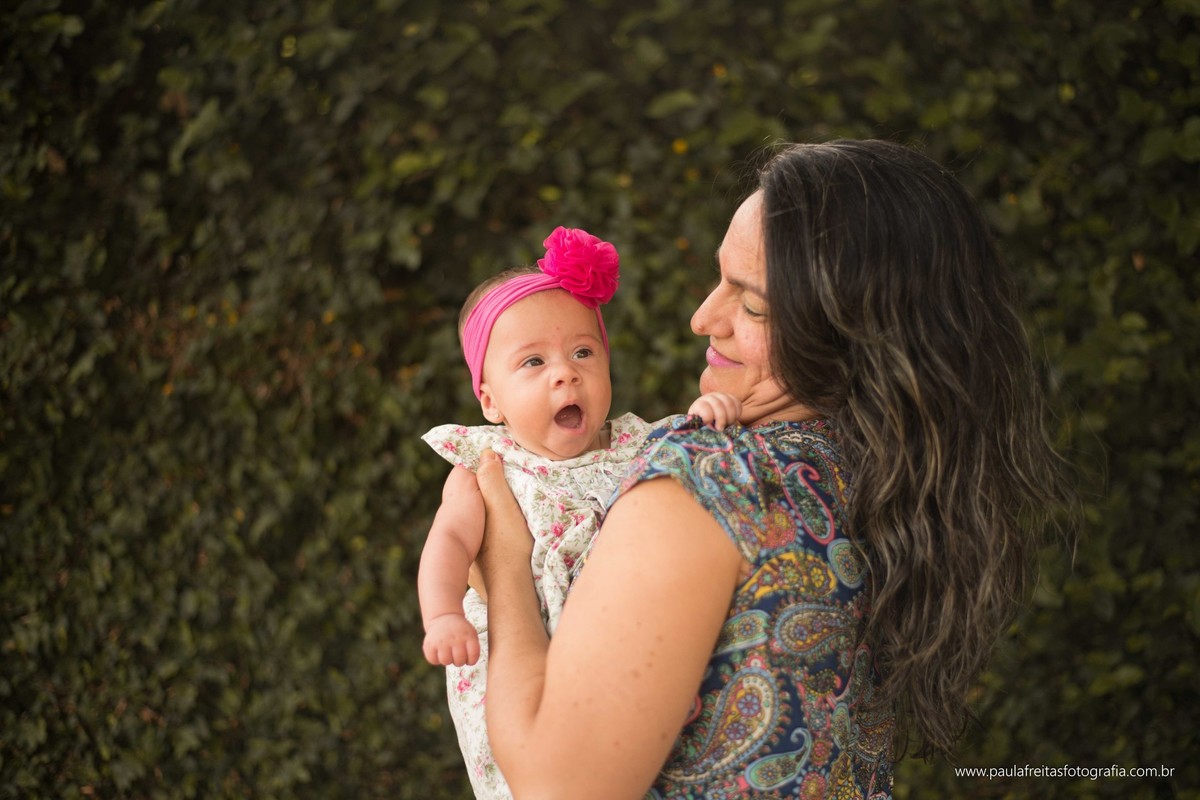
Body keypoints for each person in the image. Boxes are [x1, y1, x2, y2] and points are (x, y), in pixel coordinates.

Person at [471, 139, 1075, 799]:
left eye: (753, 305)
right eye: (720, 279)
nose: (704, 318)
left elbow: (559, 789)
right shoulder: (890, 483)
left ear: (856, 329)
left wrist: (505, 563)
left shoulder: (708, 481)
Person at [417, 226, 741, 799]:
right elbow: (447, 544)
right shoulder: (486, 466)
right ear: (489, 399)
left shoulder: (634, 445)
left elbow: (686, 444)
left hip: (614, 652)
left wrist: (708, 411)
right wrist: (443, 615)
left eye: (583, 353)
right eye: (533, 361)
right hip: (522, 676)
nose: (565, 372)